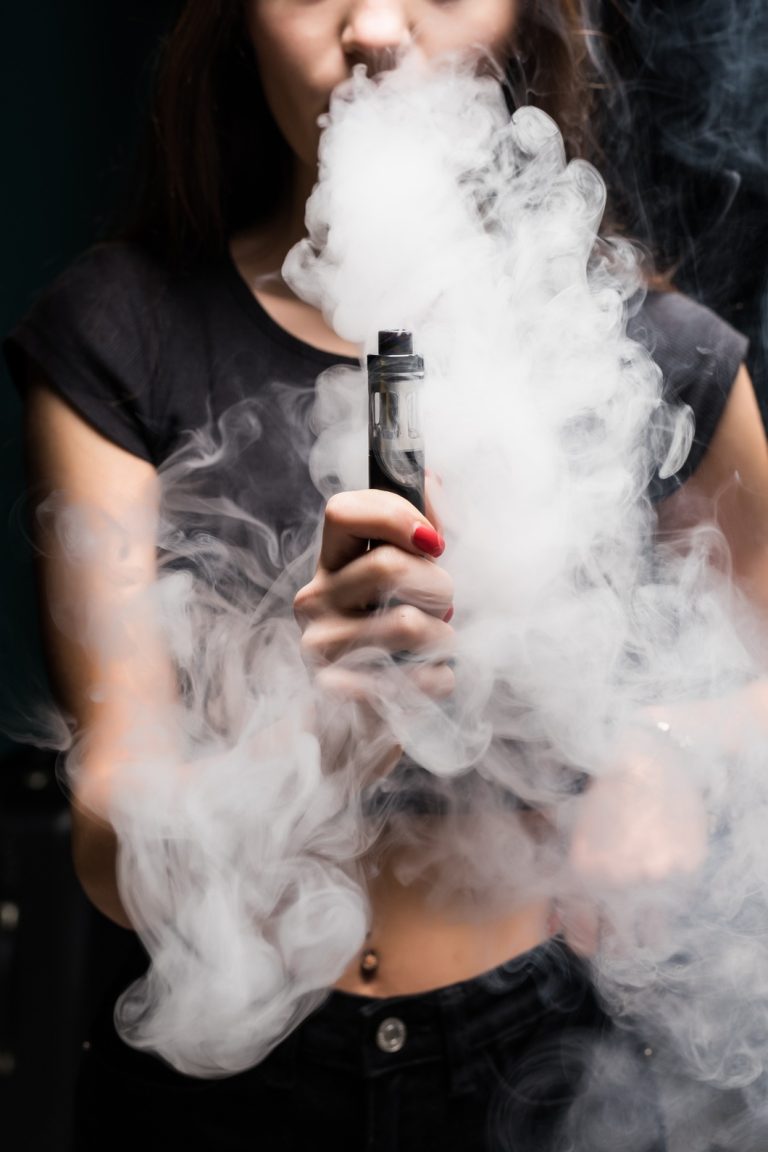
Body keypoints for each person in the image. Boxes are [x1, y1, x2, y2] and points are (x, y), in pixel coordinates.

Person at [5, 1, 767, 1149]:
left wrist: (662, 752)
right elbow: (114, 835)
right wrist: (320, 722)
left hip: (553, 1061)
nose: (372, 27)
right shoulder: (122, 335)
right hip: (226, 1078)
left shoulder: (656, 354)